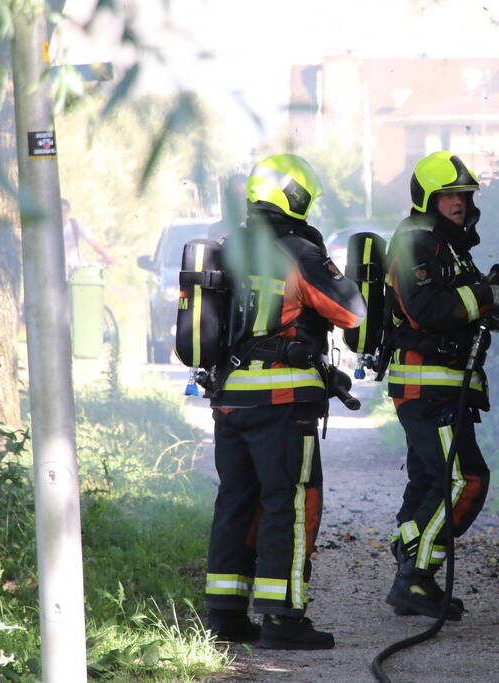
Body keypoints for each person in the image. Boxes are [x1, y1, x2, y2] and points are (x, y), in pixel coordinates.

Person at [203, 154, 365, 649]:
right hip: (283, 398)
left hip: (231, 397)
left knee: (236, 500)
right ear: (296, 198)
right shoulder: (297, 250)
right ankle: (283, 619)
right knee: (290, 504)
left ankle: (226, 616)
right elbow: (350, 312)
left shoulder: (229, 249)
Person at [383, 151, 499, 619]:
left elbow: (477, 312)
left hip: (445, 384)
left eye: (465, 195)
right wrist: (483, 294)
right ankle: (414, 577)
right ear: (428, 198)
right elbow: (427, 310)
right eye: (450, 194)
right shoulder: (415, 242)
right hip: (425, 382)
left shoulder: (450, 248)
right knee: (466, 478)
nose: (459, 202)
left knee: (431, 481)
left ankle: (409, 554)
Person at [61, 198, 114, 274]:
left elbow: (92, 243)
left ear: (69, 211)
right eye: (59, 211)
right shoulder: (48, 228)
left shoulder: (75, 224)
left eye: (64, 211)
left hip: (73, 267)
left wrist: (106, 256)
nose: (62, 214)